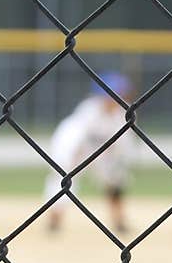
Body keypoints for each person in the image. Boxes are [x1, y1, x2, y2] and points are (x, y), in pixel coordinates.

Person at [43, 72, 135, 233]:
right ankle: (54, 220)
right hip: (76, 148)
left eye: (120, 93)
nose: (118, 98)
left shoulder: (124, 115)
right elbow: (74, 138)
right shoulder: (89, 110)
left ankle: (119, 221)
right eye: (114, 94)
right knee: (63, 179)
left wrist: (114, 163)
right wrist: (70, 160)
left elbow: (122, 145)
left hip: (102, 152)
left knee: (115, 180)